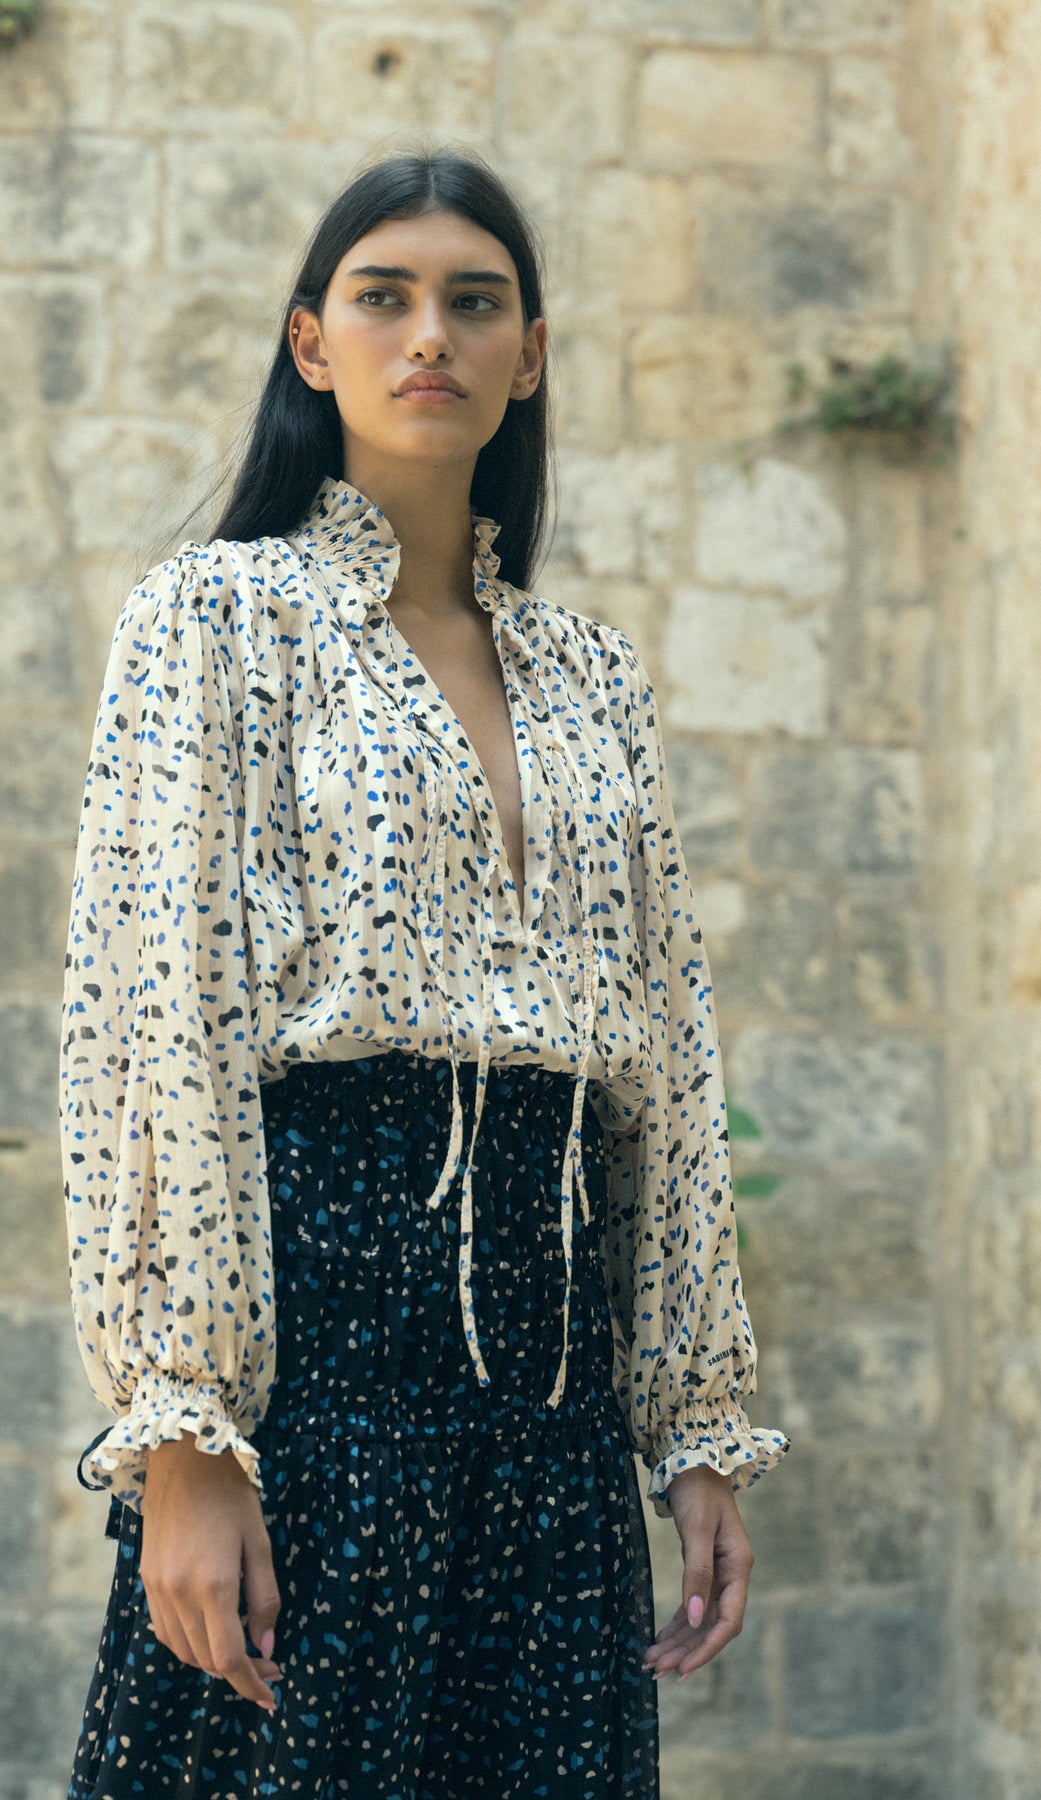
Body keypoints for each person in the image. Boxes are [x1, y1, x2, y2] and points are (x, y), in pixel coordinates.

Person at [58, 149, 788, 1800]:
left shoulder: (593, 679)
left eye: (474, 302)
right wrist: (183, 1436)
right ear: (310, 342)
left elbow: (668, 1060)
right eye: (382, 298)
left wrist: (693, 1427)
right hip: (314, 1359)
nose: (429, 337)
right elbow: (153, 1025)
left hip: (553, 1403)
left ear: (529, 355)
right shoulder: (215, 619)